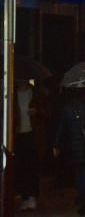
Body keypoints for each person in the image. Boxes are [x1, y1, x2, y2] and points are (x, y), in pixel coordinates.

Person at [53, 84, 85, 215]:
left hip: (73, 145)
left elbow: (62, 127)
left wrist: (56, 145)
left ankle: (82, 197)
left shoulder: (68, 107)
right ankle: (82, 195)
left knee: (79, 172)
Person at [14, 80, 41, 211]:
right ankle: (25, 197)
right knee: (20, 165)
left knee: (31, 164)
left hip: (32, 134)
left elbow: (46, 112)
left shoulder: (35, 93)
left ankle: (32, 197)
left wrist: (37, 112)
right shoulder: (12, 94)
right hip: (17, 134)